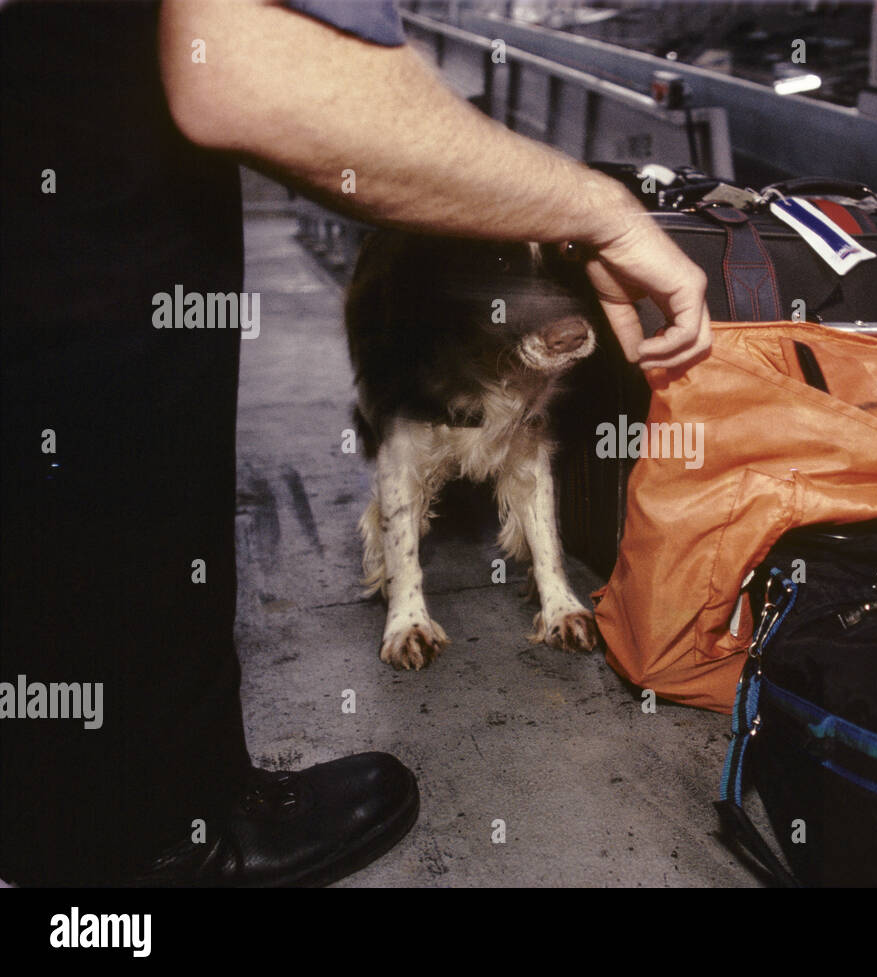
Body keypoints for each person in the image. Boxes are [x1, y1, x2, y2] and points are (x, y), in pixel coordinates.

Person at [0, 0, 710, 887]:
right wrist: (603, 210)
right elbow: (254, 71)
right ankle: (165, 838)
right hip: (86, 267)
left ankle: (77, 830)